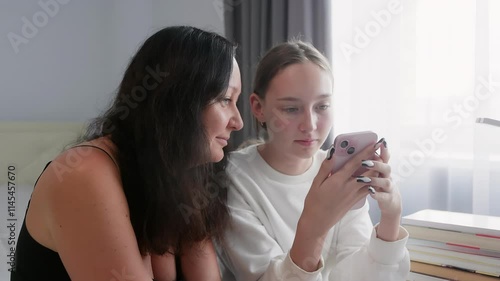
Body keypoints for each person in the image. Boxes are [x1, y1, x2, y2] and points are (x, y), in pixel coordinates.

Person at [10, 26, 243, 281]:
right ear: (177, 102)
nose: (238, 121)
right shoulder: (83, 174)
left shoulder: (178, 176)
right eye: (224, 99)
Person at [217, 40, 410, 281]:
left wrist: (391, 217)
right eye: (291, 109)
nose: (310, 125)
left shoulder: (341, 173)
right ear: (258, 107)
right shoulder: (233, 177)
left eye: (322, 106)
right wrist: (315, 228)